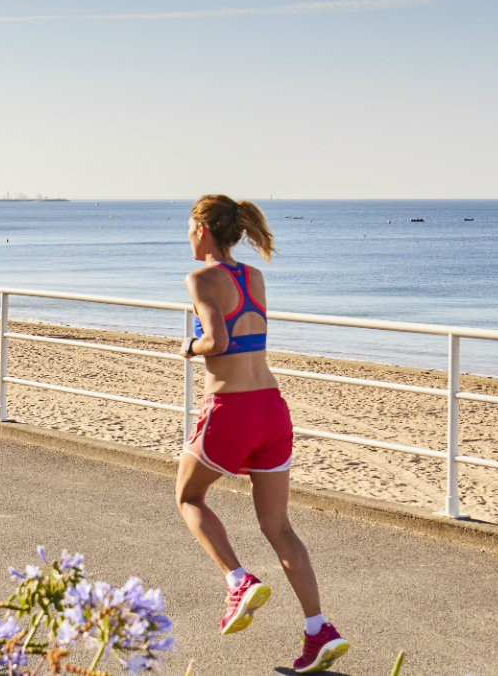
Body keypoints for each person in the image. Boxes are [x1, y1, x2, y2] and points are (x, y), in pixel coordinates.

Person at [176, 194, 347, 672]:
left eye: (189, 227)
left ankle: (237, 581)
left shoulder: (200, 278)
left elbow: (218, 340)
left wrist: (190, 347)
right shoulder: (253, 277)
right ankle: (319, 629)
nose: (187, 235)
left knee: (188, 498)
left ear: (202, 229)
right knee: (279, 527)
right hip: (272, 409)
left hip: (231, 408)